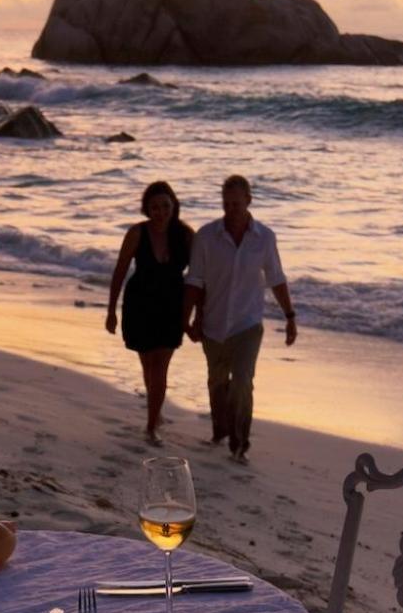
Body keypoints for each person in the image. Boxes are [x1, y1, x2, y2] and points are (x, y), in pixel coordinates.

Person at [183, 174, 296, 464]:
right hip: (213, 324)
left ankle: (239, 444)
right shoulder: (206, 236)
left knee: (243, 382)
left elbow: (276, 278)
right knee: (217, 382)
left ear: (249, 201)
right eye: (226, 203)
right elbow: (195, 281)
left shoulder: (264, 238)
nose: (231, 208)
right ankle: (220, 430)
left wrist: (290, 316)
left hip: (247, 325)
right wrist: (187, 320)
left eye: (236, 203)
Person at [105, 181, 193, 444]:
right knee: (148, 365)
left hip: (171, 306)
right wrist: (111, 311)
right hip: (140, 304)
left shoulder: (186, 234)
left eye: (165, 206)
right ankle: (156, 410)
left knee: (161, 367)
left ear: (173, 206)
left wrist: (199, 311)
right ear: (146, 209)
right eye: (154, 207)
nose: (161, 212)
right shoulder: (136, 233)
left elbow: (202, 274)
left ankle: (151, 425)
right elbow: (120, 271)